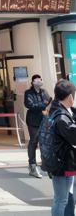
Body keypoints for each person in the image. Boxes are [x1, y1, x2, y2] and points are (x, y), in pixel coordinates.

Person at [44, 80, 76, 216]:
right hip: (62, 165)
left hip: (61, 163)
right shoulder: (62, 117)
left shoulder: (55, 110)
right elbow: (73, 137)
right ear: (70, 97)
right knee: (61, 200)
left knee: (65, 197)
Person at [24, 74, 52, 178]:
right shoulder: (28, 93)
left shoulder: (44, 92)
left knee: (44, 142)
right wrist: (43, 104)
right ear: (32, 82)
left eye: (40, 79)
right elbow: (29, 105)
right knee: (34, 141)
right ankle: (32, 165)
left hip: (44, 120)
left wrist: (44, 105)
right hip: (32, 121)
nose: (39, 81)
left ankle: (45, 165)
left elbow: (49, 102)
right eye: (37, 80)